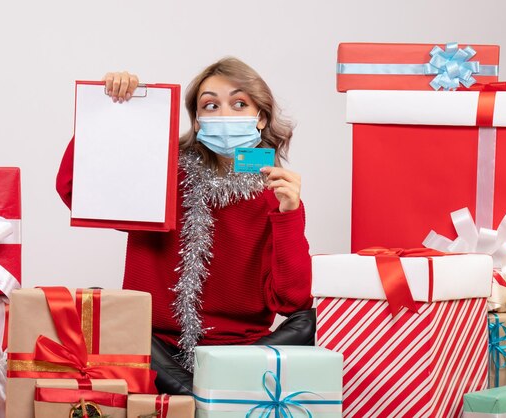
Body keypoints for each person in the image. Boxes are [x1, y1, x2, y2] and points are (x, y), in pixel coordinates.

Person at [56, 57, 314, 395]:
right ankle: (200, 396)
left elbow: (292, 302)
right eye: (210, 105)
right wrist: (111, 109)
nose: (223, 115)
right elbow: (77, 189)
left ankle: (201, 395)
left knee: (306, 323)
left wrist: (289, 214)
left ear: (261, 118)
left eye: (239, 104)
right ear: (197, 121)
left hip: (238, 356)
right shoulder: (163, 176)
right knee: (105, 313)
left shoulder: (274, 197)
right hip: (153, 351)